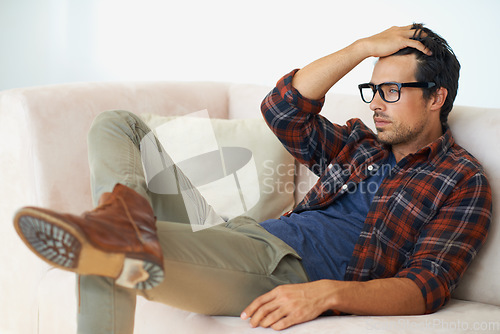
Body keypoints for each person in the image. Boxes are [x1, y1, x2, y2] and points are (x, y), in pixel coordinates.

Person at [13, 24, 492, 333]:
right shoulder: (361, 145)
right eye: (373, 88)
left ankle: (119, 232)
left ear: (435, 97)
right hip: (237, 232)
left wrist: (325, 293)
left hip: (277, 266)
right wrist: (362, 47)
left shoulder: (460, 178)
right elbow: (283, 110)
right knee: (118, 125)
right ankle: (125, 222)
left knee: (102, 247)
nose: (375, 102)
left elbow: (425, 287)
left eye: (391, 90)